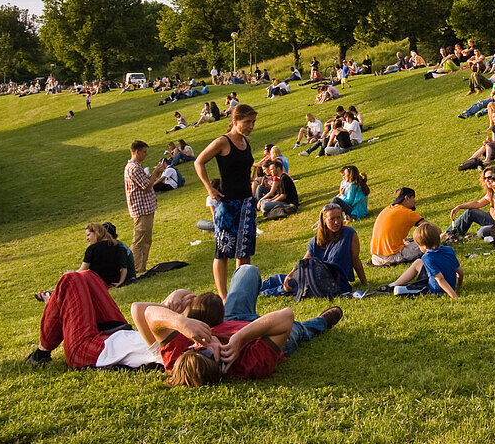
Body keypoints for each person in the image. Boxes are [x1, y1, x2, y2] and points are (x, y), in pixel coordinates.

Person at [133, 266, 343, 386]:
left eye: (195, 348)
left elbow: (146, 312)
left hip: (233, 318)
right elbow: (285, 317)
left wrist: (181, 322)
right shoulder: (251, 364)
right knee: (300, 330)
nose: (200, 344)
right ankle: (321, 322)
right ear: (222, 367)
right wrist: (240, 338)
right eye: (207, 351)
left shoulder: (180, 360)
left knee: (247, 271)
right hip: (263, 330)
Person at [26, 270, 176, 368]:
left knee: (70, 279)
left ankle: (42, 351)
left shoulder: (173, 355)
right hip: (117, 331)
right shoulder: (191, 341)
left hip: (92, 350)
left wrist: (180, 319)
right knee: (88, 275)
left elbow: (139, 310)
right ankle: (55, 300)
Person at [195, 104, 258, 299]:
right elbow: (199, 162)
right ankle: (223, 296)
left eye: (253, 122)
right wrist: (209, 188)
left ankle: (240, 292)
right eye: (247, 122)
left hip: (246, 203)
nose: (251, 126)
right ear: (235, 121)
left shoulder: (246, 141)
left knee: (244, 251)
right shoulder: (222, 142)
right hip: (227, 204)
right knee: (222, 251)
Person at [267, 207, 368, 296]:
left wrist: (365, 283)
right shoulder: (316, 240)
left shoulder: (349, 234)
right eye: (332, 219)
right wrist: (290, 275)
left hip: (334, 281)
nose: (336, 222)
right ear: (324, 221)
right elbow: (305, 261)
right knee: (278, 279)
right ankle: (257, 287)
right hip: (315, 275)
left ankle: (269, 292)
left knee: (292, 285)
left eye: (339, 218)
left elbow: (356, 261)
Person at [383, 223, 463, 298]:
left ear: (424, 246)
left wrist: (454, 296)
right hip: (452, 285)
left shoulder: (427, 257)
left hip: (437, 290)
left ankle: (393, 286)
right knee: (418, 262)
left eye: (418, 245)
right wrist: (458, 285)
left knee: (398, 290)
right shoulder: (448, 250)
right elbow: (460, 271)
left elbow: (440, 279)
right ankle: (393, 284)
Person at [124, 140, 166, 276]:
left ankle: (141, 267)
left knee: (146, 240)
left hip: (145, 208)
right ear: (136, 152)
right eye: (144, 152)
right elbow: (147, 185)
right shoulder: (134, 168)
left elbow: (147, 182)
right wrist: (156, 171)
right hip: (141, 210)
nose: (145, 155)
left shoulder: (135, 167)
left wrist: (156, 173)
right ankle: (136, 268)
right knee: (139, 240)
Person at [443, 170, 495, 243]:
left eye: (490, 177)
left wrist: (491, 206)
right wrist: (460, 206)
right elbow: (478, 203)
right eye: (485, 178)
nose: (487, 180)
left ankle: (453, 234)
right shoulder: (492, 192)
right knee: (471, 212)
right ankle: (448, 233)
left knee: (481, 231)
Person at [369, 187, 425, 266]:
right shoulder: (407, 212)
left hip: (375, 259)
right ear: (407, 198)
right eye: (413, 197)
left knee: (412, 240)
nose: (415, 201)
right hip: (393, 257)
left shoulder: (386, 209)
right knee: (425, 241)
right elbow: (431, 229)